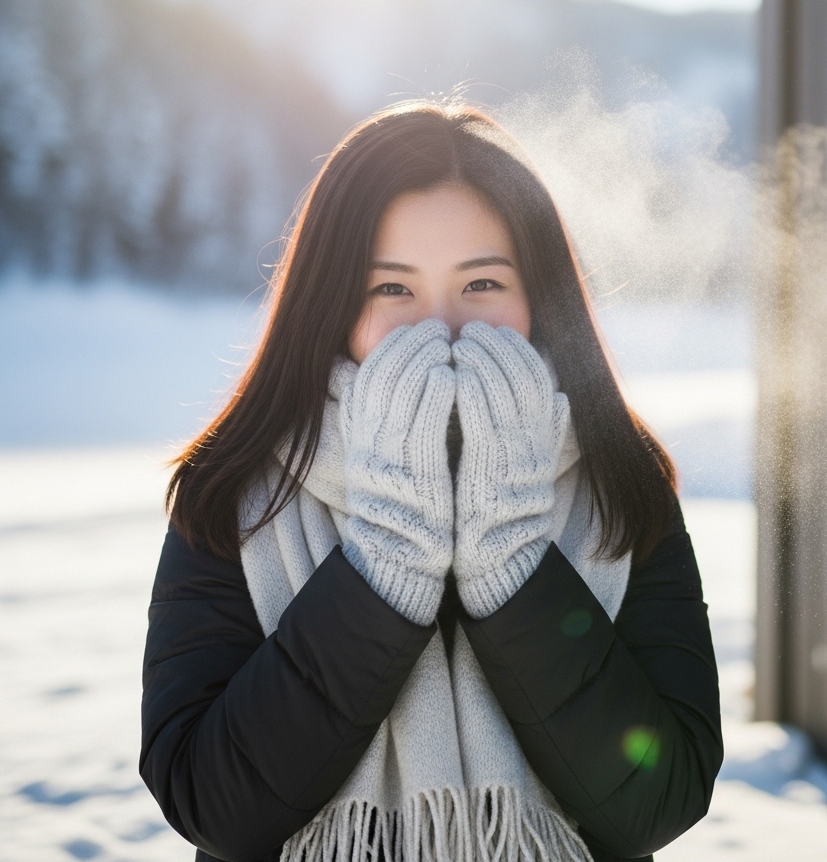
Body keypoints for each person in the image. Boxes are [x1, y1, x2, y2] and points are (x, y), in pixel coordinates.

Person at [141, 101, 722, 862]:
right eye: (392, 289)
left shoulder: (619, 481)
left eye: (482, 284)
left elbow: (660, 797)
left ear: (540, 300)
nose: (440, 326)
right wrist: (383, 564)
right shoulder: (239, 491)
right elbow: (208, 800)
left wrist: (513, 562)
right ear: (332, 307)